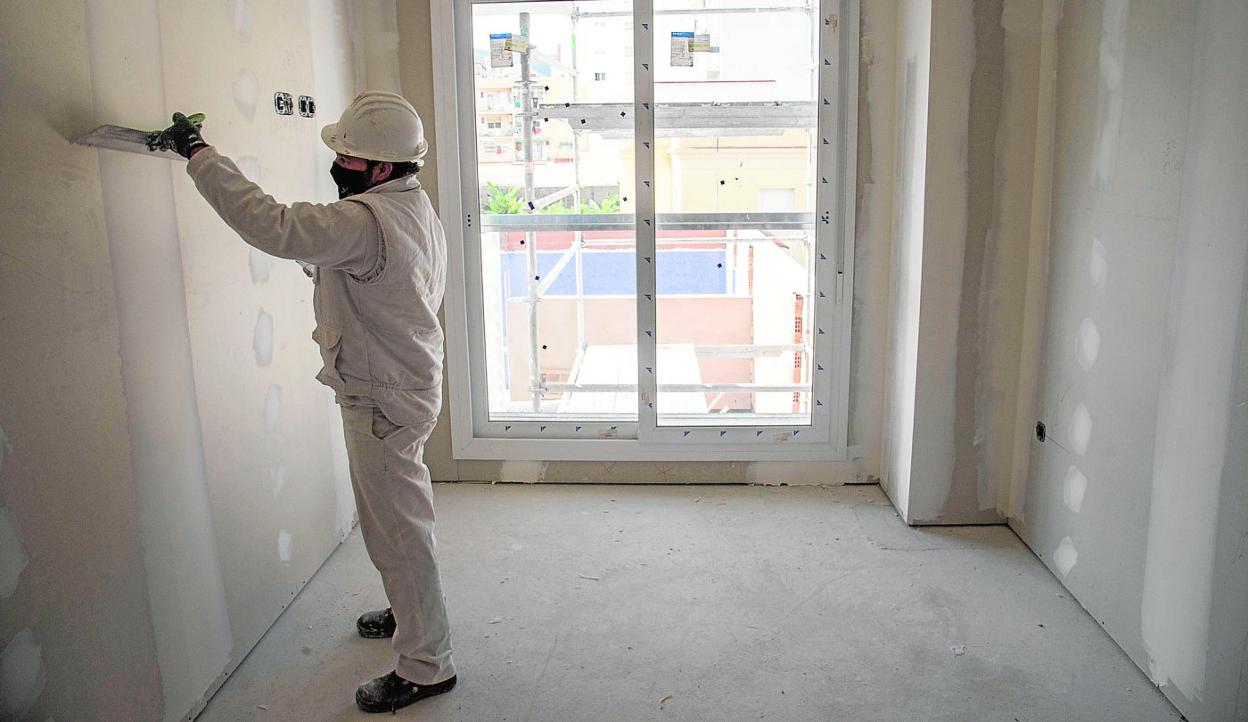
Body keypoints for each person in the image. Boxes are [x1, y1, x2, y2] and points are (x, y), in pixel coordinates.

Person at [161, 91, 455, 714]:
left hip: (383, 397)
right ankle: (410, 614)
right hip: (405, 383)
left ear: (379, 168)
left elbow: (273, 225)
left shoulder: (362, 220)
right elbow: (373, 275)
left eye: (348, 157)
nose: (339, 165)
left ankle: (427, 665)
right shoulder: (411, 205)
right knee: (395, 522)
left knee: (400, 529)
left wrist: (199, 155)